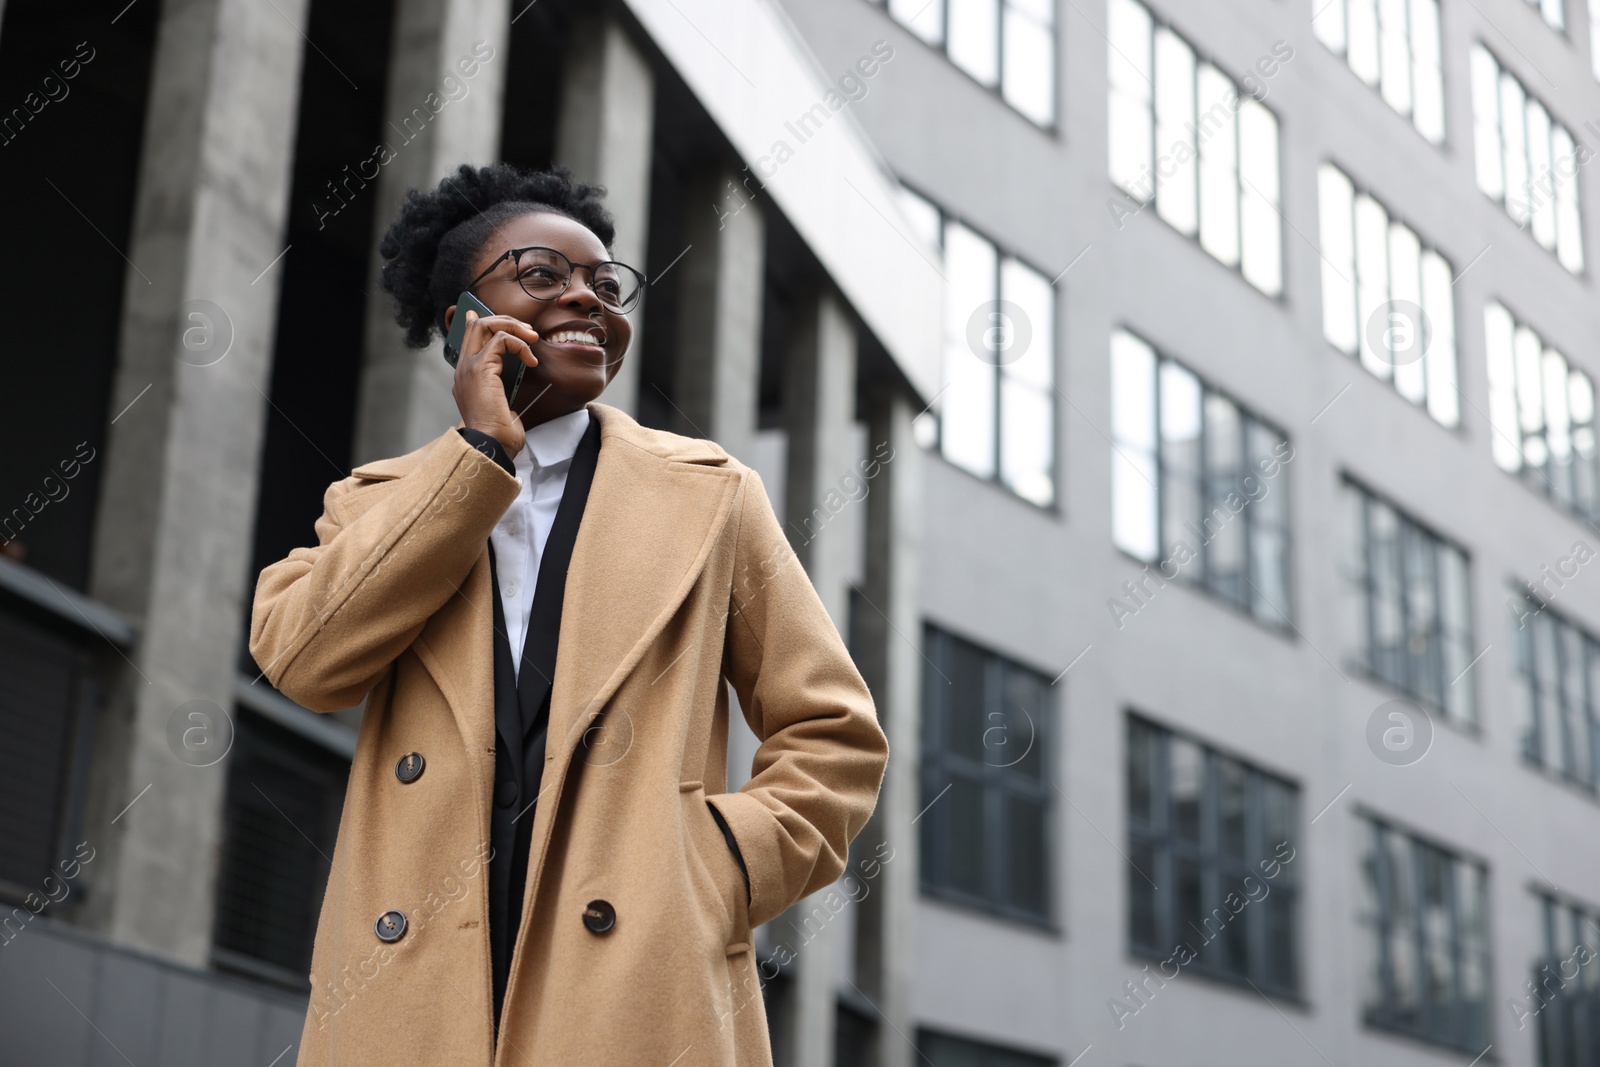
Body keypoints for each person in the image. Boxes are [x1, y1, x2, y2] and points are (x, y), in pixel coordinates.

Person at [249, 162, 889, 1065]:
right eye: (545, 275)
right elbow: (304, 662)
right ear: (462, 324)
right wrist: (475, 457)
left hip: (636, 984)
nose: (588, 299)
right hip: (412, 985)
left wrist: (717, 865)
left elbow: (832, 728)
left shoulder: (711, 496)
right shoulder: (374, 504)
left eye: (604, 282)